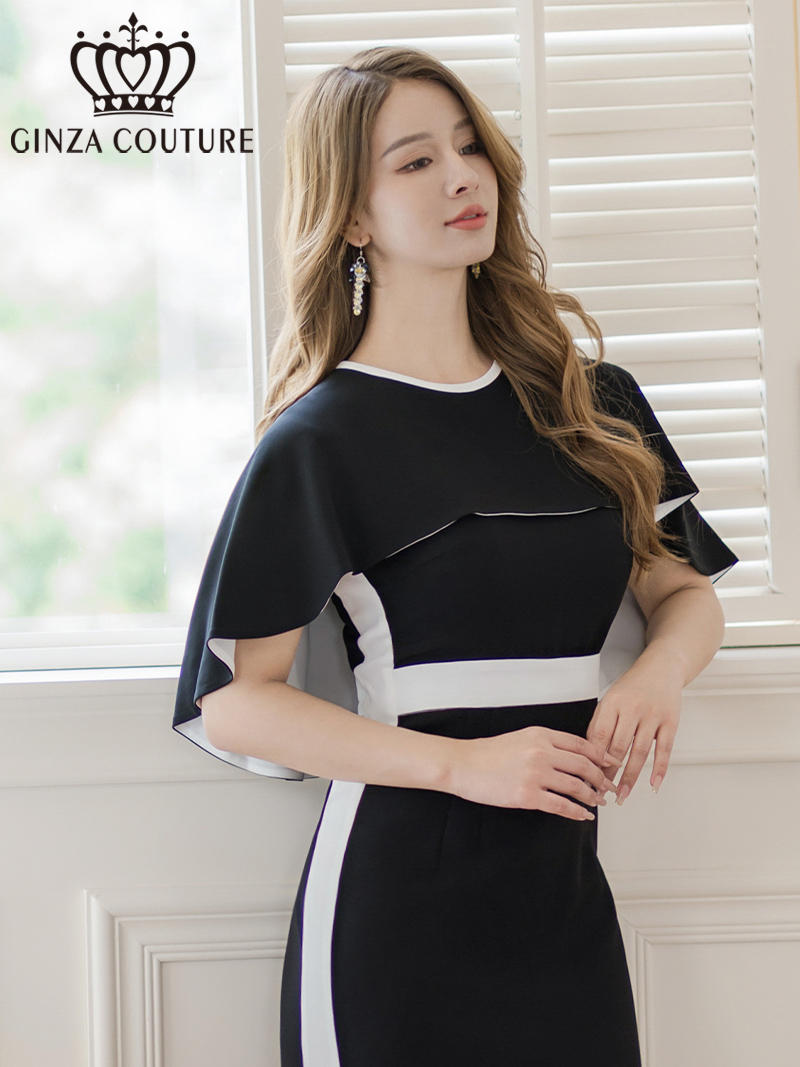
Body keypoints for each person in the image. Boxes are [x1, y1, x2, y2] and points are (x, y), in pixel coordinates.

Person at [173, 46, 739, 1067]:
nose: (461, 176)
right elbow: (235, 701)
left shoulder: (592, 403)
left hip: (563, 895)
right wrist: (462, 764)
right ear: (352, 215)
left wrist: (659, 670)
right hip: (397, 909)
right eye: (415, 160)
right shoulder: (319, 440)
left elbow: (682, 590)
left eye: (470, 147)